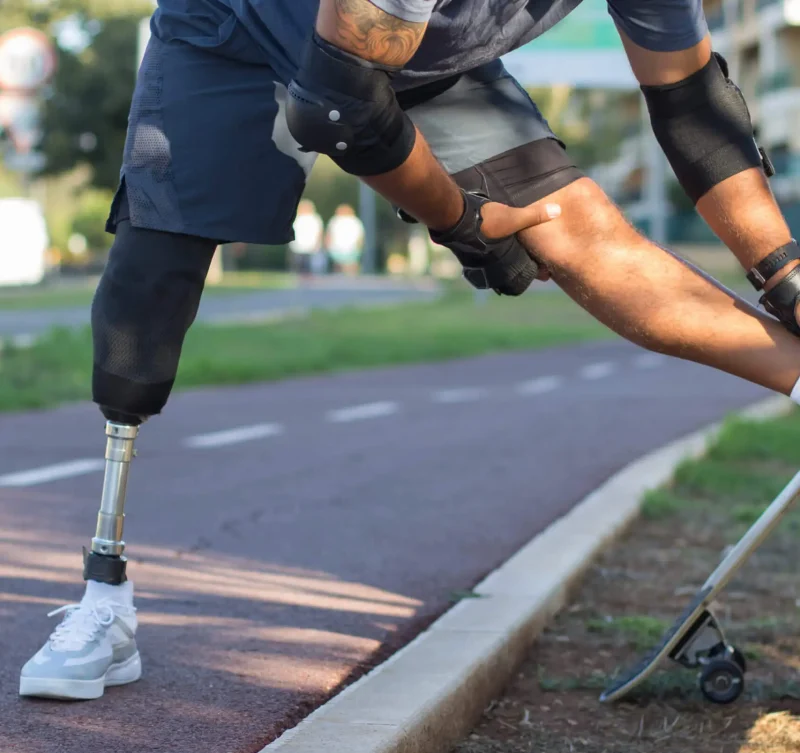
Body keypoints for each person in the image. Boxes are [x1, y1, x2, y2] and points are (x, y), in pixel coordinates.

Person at [18, 0, 800, 700]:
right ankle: (103, 602)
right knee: (147, 292)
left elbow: (694, 106)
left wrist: (785, 273)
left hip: (406, 59)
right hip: (234, 29)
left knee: (572, 221)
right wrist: (460, 218)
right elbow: (339, 113)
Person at [325, 204, 365, 274]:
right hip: (337, 248)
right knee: (338, 266)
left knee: (351, 266)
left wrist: (359, 246)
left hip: (351, 248)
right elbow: (329, 234)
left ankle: (352, 279)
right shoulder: (334, 220)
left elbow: (360, 236)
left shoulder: (355, 221)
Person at [289, 198, 325, 274]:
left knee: (309, 266)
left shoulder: (315, 218)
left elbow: (319, 232)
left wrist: (318, 243)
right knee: (298, 264)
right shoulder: (295, 217)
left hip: (311, 246)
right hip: (297, 246)